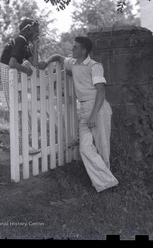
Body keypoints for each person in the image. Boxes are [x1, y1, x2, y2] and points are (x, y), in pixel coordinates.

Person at [43, 36, 119, 193]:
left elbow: (101, 91)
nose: (72, 49)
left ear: (84, 51)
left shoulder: (94, 66)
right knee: (85, 148)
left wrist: (93, 116)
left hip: (97, 108)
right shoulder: (73, 63)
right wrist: (46, 63)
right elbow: (57, 56)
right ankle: (108, 181)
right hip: (84, 108)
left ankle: (106, 186)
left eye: (76, 47)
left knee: (102, 146)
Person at [0, 18, 43, 155]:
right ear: (28, 30)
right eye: (36, 31)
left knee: (22, 110)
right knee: (17, 112)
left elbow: (35, 63)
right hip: (9, 74)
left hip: (13, 74)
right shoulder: (20, 41)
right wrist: (26, 71)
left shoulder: (25, 44)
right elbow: (12, 63)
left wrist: (36, 46)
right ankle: (22, 147)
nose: (38, 34)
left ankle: (24, 145)